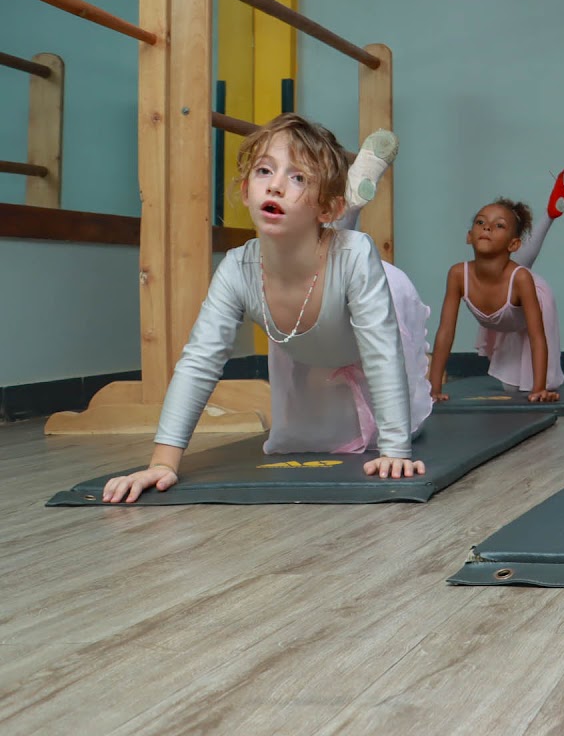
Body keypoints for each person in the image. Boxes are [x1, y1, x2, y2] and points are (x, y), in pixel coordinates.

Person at [103, 114, 432, 502]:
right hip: (306, 337)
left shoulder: (358, 256)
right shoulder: (237, 269)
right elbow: (199, 361)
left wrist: (395, 451)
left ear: (324, 207)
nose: (275, 185)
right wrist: (162, 462)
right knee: (305, 440)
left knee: (402, 428)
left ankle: (350, 205)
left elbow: (381, 352)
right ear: (245, 191)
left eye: (298, 178)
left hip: (382, 298)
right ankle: (346, 203)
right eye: (264, 170)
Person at [427, 172, 564, 403]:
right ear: (469, 236)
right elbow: (446, 332)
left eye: (498, 225)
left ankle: (548, 217)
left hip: (530, 300)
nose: (486, 228)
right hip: (498, 308)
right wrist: (433, 388)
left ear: (515, 243)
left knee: (540, 382)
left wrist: (539, 389)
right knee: (510, 386)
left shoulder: (523, 280)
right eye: (480, 222)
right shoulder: (457, 274)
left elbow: (538, 336)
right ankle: (549, 216)